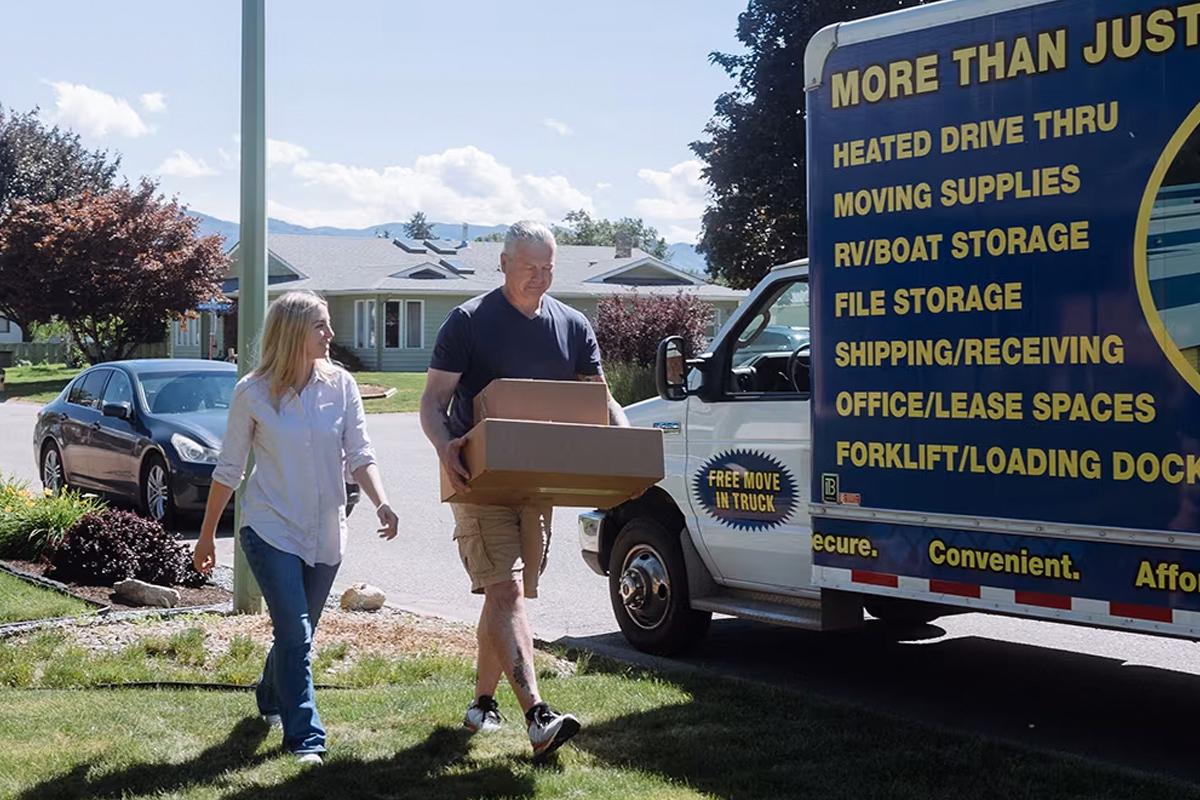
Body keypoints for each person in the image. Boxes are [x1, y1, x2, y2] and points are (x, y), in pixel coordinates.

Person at [420, 220, 630, 761]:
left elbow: (599, 400)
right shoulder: (468, 321)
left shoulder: (573, 325)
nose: (540, 277)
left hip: (538, 484)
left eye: (548, 267)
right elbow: (432, 402)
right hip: (478, 479)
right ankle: (538, 717)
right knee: (506, 592)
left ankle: (481, 703)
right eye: (529, 266)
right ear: (504, 263)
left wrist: (628, 446)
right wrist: (446, 447)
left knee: (505, 594)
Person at [192, 290, 399, 765]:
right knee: (297, 635)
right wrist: (206, 537)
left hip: (326, 531)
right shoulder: (253, 391)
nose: (330, 334)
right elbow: (229, 469)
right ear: (292, 333)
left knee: (295, 634)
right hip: (270, 528)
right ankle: (306, 738)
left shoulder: (341, 385)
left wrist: (382, 501)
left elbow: (360, 454)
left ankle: (269, 695)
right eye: (321, 326)